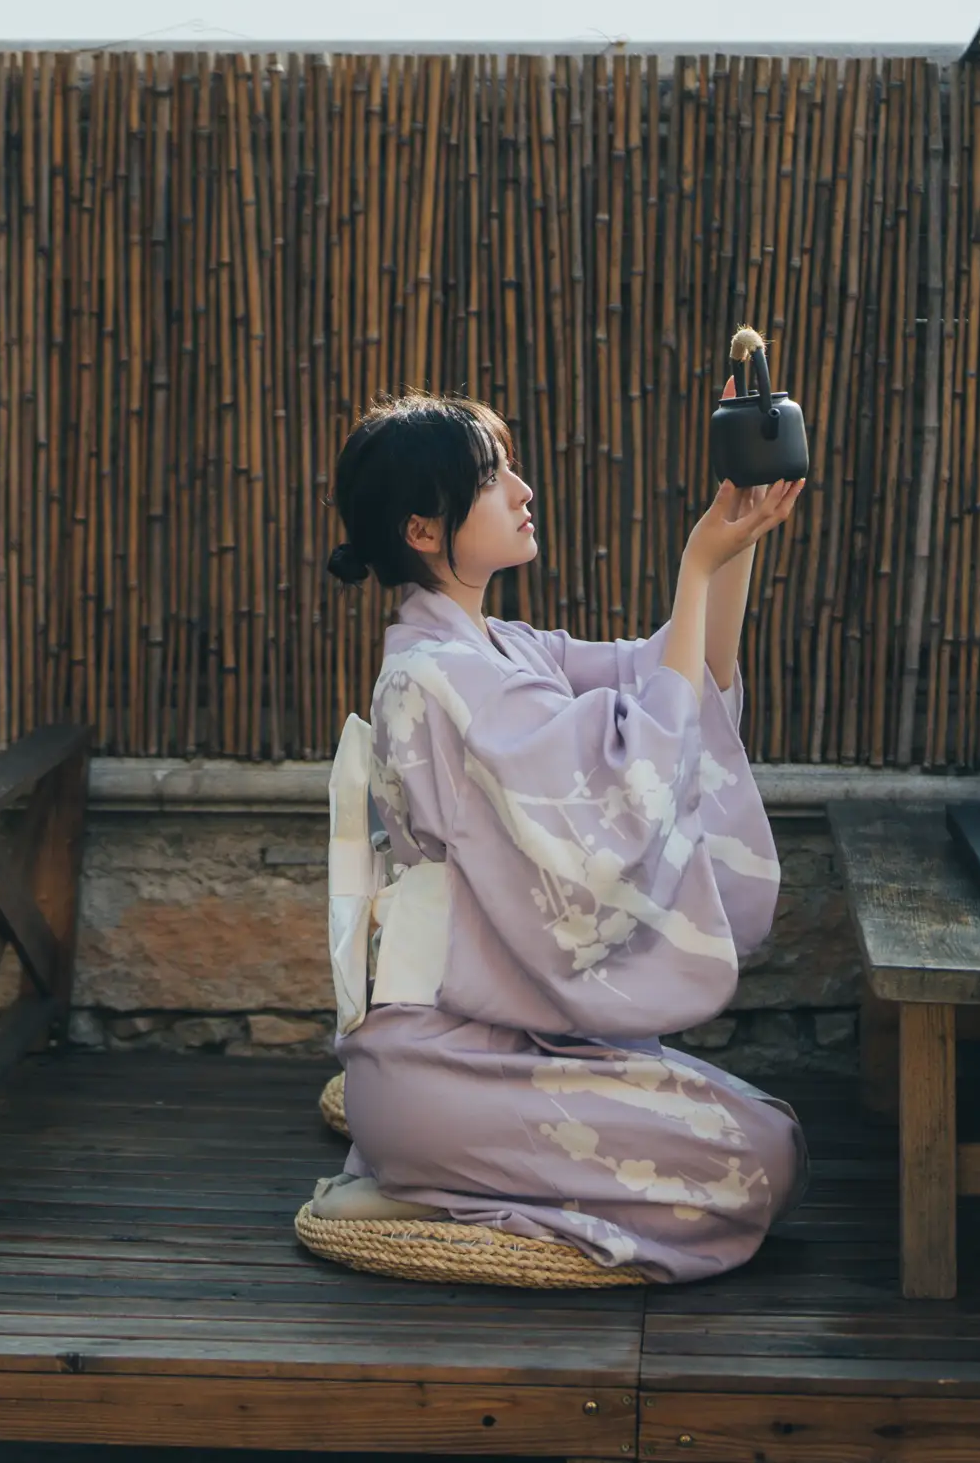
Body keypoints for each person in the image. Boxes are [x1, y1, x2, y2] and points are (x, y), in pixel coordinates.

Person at [311, 391, 808, 1283]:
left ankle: (435, 1170)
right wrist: (695, 572)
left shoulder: (500, 649)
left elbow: (675, 680)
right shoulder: (431, 680)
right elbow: (629, 785)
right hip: (443, 1058)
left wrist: (732, 539)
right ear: (424, 529)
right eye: (492, 479)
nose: (522, 490)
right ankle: (424, 1182)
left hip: (502, 1042)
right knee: (756, 1162)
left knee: (772, 1132)